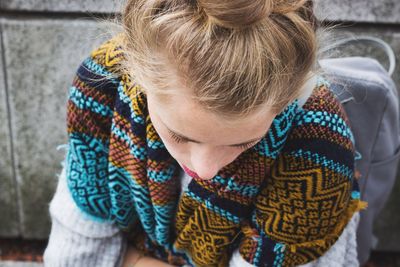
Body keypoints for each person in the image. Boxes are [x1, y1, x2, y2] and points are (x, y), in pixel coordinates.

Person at [43, 0, 367, 266]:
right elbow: (74, 252)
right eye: (181, 136)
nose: (205, 169)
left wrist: (134, 261)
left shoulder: (319, 146)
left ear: (291, 97)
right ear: (136, 75)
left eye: (244, 142)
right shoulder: (103, 84)